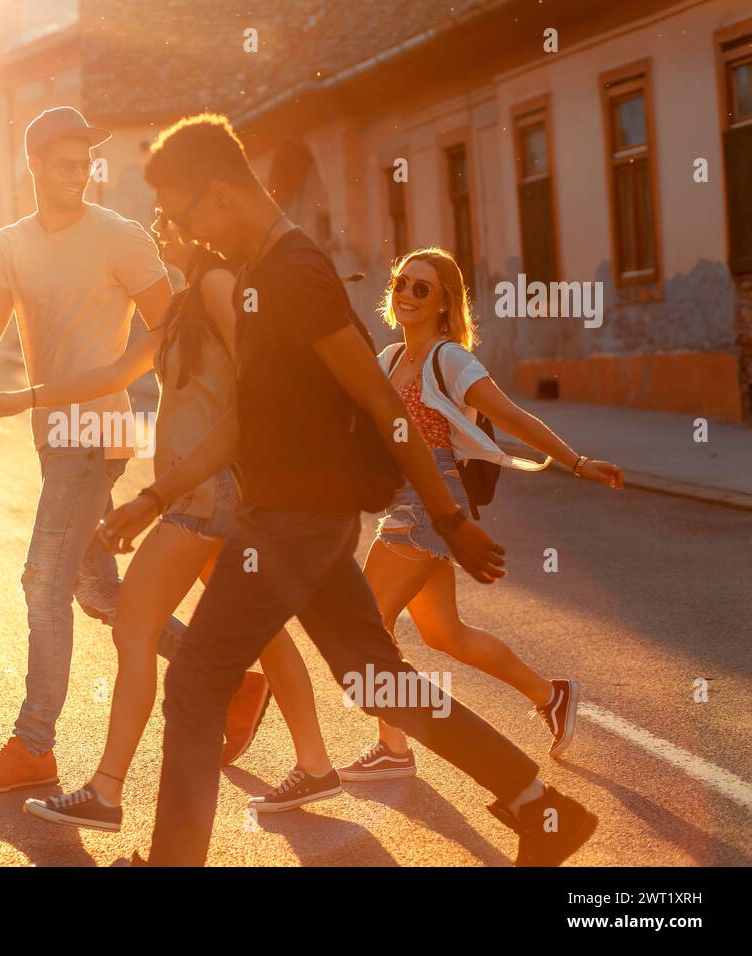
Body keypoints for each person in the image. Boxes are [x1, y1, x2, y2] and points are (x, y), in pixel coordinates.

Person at [99, 112, 598, 867]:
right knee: (378, 683)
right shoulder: (265, 274)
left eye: (182, 212)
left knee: (198, 683)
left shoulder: (294, 274)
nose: (185, 232)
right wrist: (157, 495)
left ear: (223, 192)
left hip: (295, 525)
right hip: (305, 523)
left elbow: (382, 401)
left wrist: (447, 517)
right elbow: (245, 418)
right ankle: (541, 811)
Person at [0, 106, 267, 793]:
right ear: (35, 167)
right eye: (65, 164)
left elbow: (173, 329)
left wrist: (180, 421)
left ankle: (34, 744)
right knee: (99, 592)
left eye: (86, 163)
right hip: (56, 437)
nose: (79, 175)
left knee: (42, 581)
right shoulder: (8, 245)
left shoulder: (121, 236)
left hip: (97, 433)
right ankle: (232, 682)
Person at [0, 214, 341, 831]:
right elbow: (115, 374)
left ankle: (107, 794)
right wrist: (25, 397)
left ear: (200, 227)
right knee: (263, 628)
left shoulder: (217, 287)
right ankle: (316, 764)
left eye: (168, 218)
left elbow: (258, 385)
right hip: (205, 492)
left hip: (206, 492)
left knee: (133, 622)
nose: (159, 229)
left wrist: (165, 492)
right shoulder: (184, 304)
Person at [337, 248, 625, 782]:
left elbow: (511, 415)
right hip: (408, 497)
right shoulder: (389, 357)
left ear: (447, 301)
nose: (407, 294)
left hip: (430, 501)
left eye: (423, 288)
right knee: (446, 633)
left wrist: (577, 462)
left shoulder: (451, 359)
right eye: (402, 282)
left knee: (366, 625)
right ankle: (550, 694)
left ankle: (394, 748)